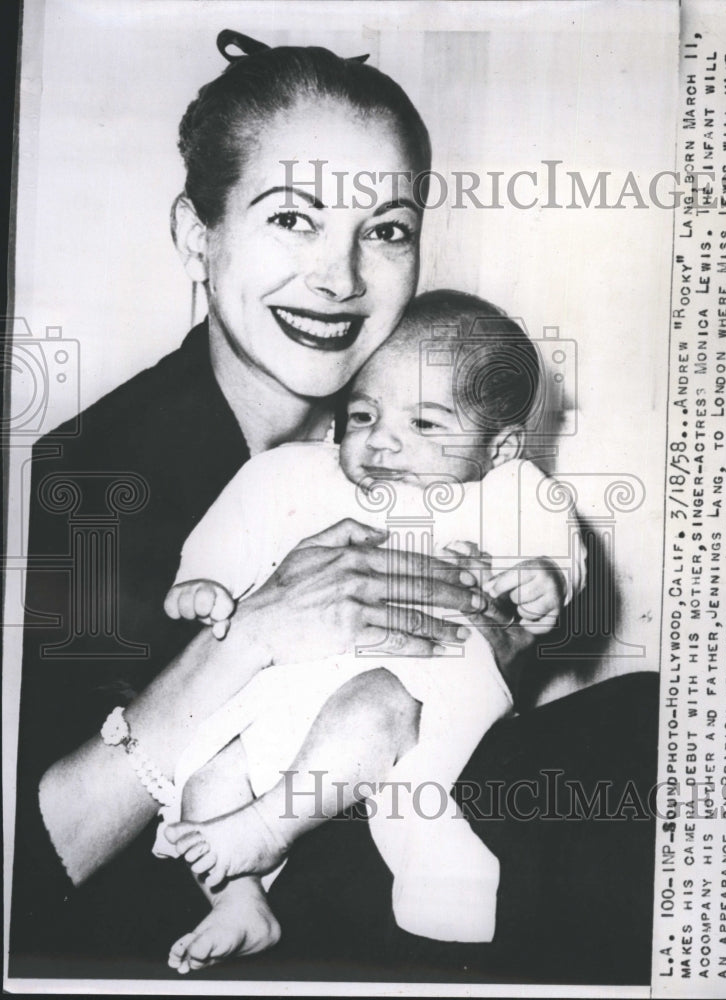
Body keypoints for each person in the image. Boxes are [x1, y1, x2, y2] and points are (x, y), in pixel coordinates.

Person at [10, 30, 658, 985]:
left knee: (657, 731)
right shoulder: (93, 476)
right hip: (200, 922)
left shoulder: (434, 440)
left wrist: (506, 632)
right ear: (198, 232)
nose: (341, 277)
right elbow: (35, 866)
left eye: (386, 229)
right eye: (292, 219)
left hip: (405, 825)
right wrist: (251, 633)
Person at [157, 290, 587, 973]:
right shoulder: (292, 474)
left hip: (421, 682)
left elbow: (552, 556)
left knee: (370, 713)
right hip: (288, 693)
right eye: (361, 414)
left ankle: (271, 830)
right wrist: (205, 583)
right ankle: (238, 904)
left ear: (498, 446)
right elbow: (232, 529)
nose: (380, 438)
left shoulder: (509, 490)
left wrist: (543, 580)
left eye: (423, 423)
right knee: (206, 775)